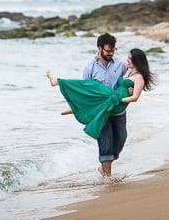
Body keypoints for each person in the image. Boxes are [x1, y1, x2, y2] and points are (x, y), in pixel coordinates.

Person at [47, 35, 153, 179]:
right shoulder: (89, 68)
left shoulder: (121, 65)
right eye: (108, 51)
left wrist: (130, 89)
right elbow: (86, 93)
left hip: (118, 110)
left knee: (121, 138)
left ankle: (104, 166)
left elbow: (131, 80)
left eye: (113, 50)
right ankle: (107, 176)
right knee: (105, 142)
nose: (111, 53)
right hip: (101, 112)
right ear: (100, 49)